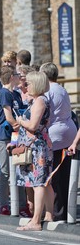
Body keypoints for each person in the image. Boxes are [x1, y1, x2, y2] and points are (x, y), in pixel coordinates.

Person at [15, 71, 54, 231]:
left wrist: (21, 121)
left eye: (28, 83)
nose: (25, 86)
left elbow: (32, 126)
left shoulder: (40, 101)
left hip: (37, 147)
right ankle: (48, 215)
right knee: (46, 182)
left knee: (38, 184)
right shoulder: (40, 100)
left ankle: (36, 221)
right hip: (40, 145)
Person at [40, 62, 77, 222]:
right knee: (65, 176)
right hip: (69, 134)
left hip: (54, 136)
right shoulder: (62, 89)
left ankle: (55, 212)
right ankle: (65, 211)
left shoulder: (47, 92)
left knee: (53, 177)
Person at [0, 65, 31, 216]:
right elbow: (8, 117)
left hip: (16, 135)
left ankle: (22, 205)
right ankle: (4, 205)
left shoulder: (15, 94)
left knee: (19, 169)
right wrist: (22, 128)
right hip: (5, 135)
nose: (19, 77)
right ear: (10, 77)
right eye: (16, 74)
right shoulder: (4, 93)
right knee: (5, 172)